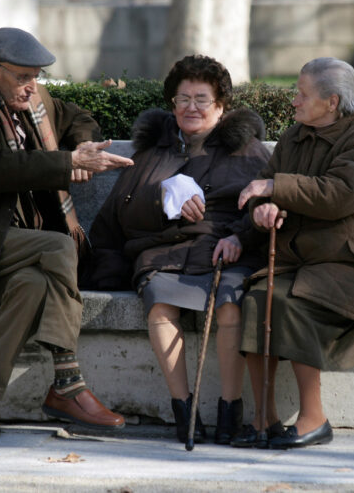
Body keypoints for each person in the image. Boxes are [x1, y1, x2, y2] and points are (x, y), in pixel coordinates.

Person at [88, 55, 270, 444]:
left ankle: (229, 407)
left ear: (221, 107)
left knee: (230, 302)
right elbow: (120, 213)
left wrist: (239, 236)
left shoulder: (248, 151)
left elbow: (263, 205)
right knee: (159, 304)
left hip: (225, 250)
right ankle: (183, 409)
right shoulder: (153, 152)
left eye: (202, 99)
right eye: (182, 98)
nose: (191, 107)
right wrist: (163, 199)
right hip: (163, 252)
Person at [0, 27, 134, 437]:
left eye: (36, 77)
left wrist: (83, 151)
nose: (32, 87)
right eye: (23, 77)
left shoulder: (32, 101)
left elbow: (78, 117)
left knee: (32, 284)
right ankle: (68, 384)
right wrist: (65, 162)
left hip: (19, 246)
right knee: (60, 246)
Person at [232, 57, 354, 449]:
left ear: (332, 102)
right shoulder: (295, 137)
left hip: (353, 265)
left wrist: (276, 190)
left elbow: (339, 196)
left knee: (289, 303)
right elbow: (263, 189)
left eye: (302, 94)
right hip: (301, 261)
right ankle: (264, 418)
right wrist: (260, 215)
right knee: (256, 300)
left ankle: (314, 418)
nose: (294, 100)